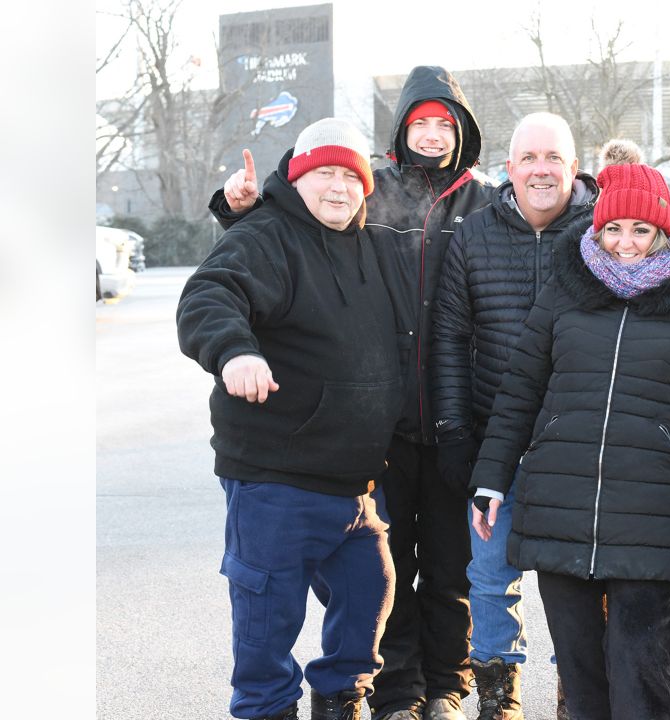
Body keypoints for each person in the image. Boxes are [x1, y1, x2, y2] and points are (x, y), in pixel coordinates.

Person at [215, 66, 493, 720]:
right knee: (358, 581)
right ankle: (394, 694)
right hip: (374, 434)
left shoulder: (485, 202)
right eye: (419, 121)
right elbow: (263, 262)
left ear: (462, 132)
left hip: (453, 419)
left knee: (437, 575)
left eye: (443, 123)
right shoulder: (365, 196)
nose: (430, 133)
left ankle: (442, 690)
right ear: (401, 129)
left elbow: (544, 230)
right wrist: (239, 212)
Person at [469, 162, 670, 720]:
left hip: (650, 508)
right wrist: (491, 478)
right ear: (596, 229)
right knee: (580, 673)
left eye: (641, 230)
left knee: (641, 672)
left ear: (663, 233)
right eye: (614, 229)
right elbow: (522, 386)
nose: (626, 243)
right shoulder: (566, 287)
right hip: (560, 505)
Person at [177, 118, 402, 720]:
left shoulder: (372, 245)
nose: (338, 187)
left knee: (368, 592)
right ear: (297, 178)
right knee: (267, 620)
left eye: (350, 176)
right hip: (274, 474)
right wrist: (235, 351)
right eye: (324, 173)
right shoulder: (266, 236)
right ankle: (265, 709)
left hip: (354, 480)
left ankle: (340, 699)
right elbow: (211, 293)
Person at [430, 112, 599, 720]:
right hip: (494, 445)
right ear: (510, 168)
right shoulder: (474, 234)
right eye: (529, 159)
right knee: (490, 576)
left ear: (573, 167)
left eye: (553, 158)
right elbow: (449, 338)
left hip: (579, 446)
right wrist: (454, 434)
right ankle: (499, 699)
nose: (541, 170)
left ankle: (575, 694)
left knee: (580, 584)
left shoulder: (603, 233)